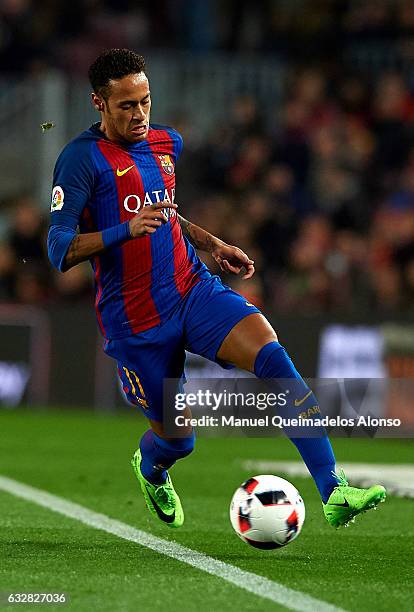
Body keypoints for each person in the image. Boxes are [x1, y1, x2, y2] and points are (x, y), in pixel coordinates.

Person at [48, 48, 385, 530]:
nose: (140, 114)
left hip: (191, 288)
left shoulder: (166, 144)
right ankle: (152, 467)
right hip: (137, 321)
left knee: (272, 355)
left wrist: (211, 243)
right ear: (98, 103)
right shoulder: (80, 160)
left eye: (145, 101)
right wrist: (124, 229)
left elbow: (164, 212)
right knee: (178, 440)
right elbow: (59, 248)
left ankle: (334, 489)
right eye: (126, 105)